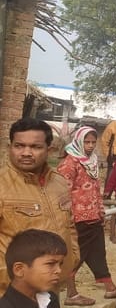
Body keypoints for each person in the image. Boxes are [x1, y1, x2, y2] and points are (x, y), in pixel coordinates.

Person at [0, 118, 79, 296]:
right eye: (19, 146)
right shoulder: (2, 185)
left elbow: (70, 225)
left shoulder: (59, 182)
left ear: (49, 150)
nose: (26, 153)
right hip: (11, 293)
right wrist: (13, 277)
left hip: (52, 289)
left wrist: (72, 258)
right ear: (10, 147)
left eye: (35, 147)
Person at [57, 126, 116, 306]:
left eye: (93, 142)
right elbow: (62, 192)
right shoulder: (70, 163)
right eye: (86, 142)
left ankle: (110, 288)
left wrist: (100, 211)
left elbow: (96, 189)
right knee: (77, 255)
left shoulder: (91, 161)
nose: (90, 146)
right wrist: (68, 216)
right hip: (78, 218)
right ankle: (71, 294)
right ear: (78, 142)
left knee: (97, 252)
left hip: (94, 216)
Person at [0, 229, 67, 308]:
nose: (58, 270)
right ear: (19, 270)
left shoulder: (51, 301)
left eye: (60, 264)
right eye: (50, 264)